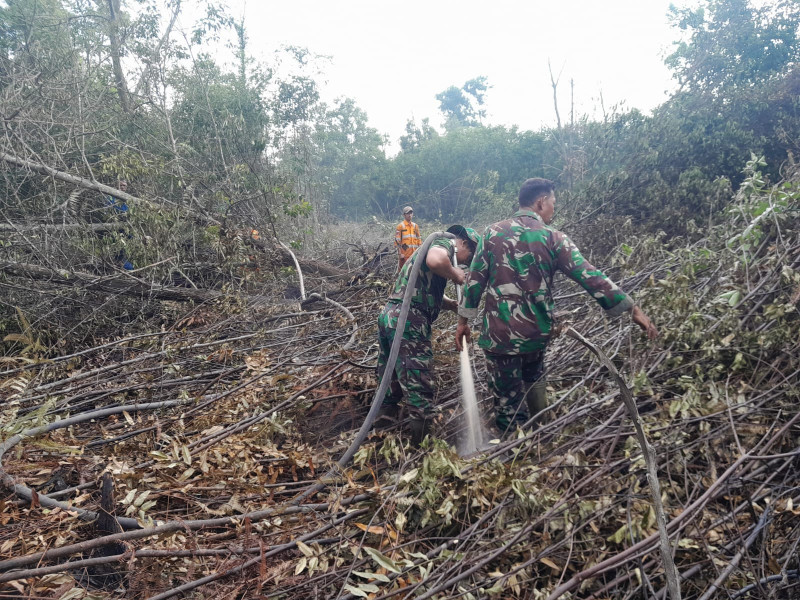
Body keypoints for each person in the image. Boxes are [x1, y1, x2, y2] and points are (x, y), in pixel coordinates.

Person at [455, 178, 658, 436]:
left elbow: (474, 283)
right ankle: (540, 436)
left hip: (500, 337)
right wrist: (633, 309)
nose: (554, 208)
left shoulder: (492, 233)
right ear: (541, 202)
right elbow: (590, 275)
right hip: (536, 335)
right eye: (553, 203)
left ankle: (513, 449)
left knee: (508, 405)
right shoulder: (554, 238)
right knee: (534, 380)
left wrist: (463, 324)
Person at [377, 225, 479, 445]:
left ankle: (380, 436)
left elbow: (420, 289)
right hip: (408, 321)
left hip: (391, 316)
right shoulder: (445, 244)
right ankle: (421, 449)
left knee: (390, 382)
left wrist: (451, 304)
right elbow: (435, 260)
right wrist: (455, 274)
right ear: (463, 243)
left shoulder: (436, 249)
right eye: (467, 258)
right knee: (419, 387)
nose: (463, 265)